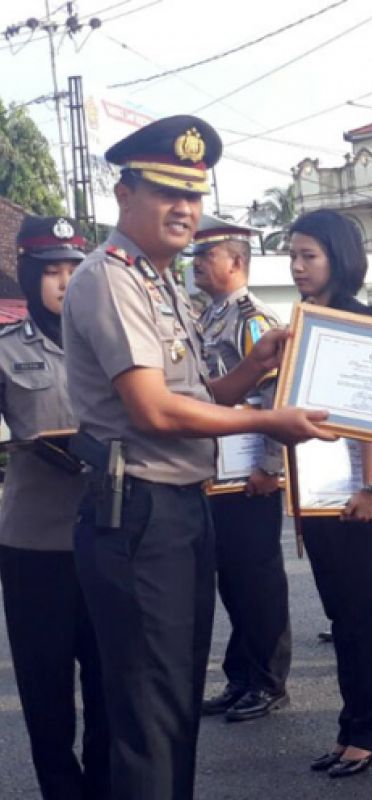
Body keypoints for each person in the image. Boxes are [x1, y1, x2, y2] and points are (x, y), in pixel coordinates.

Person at [63, 115, 331, 800]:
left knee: (176, 700)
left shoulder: (159, 282)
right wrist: (270, 418)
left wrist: (252, 370)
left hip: (176, 510)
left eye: (194, 194)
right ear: (124, 194)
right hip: (140, 514)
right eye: (165, 191)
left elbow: (196, 395)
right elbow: (154, 410)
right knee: (151, 715)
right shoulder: (113, 278)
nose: (184, 208)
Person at [288, 209, 372, 779]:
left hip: (358, 490)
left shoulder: (355, 319)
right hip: (320, 489)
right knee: (342, 614)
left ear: (338, 256)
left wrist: (371, 486)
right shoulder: (311, 317)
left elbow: (369, 410)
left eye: (309, 255)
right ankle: (350, 726)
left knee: (365, 613)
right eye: (293, 255)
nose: (297, 266)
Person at [0, 215, 109, 799]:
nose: (65, 282)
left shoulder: (110, 341)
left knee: (108, 681)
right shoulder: (5, 350)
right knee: (45, 690)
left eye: (74, 268)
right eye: (52, 271)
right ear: (29, 274)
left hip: (109, 532)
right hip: (33, 542)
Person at [192, 219, 293, 721]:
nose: (196, 265)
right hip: (218, 470)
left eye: (206, 256)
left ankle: (269, 680)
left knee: (257, 578)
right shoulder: (208, 316)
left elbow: (275, 394)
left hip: (250, 469)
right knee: (231, 577)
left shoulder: (254, 320)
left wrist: (271, 464)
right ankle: (242, 676)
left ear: (235, 262)